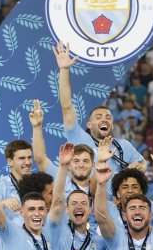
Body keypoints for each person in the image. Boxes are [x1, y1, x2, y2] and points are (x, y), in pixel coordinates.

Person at [56, 43, 145, 173]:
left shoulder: (124, 145)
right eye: (98, 117)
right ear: (89, 124)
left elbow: (142, 163)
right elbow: (67, 106)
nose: (104, 119)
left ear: (112, 125)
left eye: (108, 117)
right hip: (89, 193)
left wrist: (140, 167)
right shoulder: (79, 138)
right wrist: (64, 70)